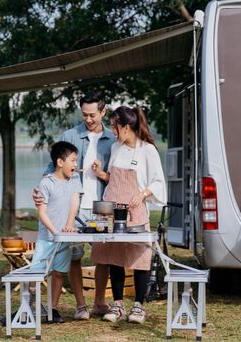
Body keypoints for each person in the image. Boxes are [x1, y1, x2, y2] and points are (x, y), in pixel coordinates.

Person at [32, 91, 115, 319]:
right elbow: (53, 167)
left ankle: (99, 301)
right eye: (84, 115)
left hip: (101, 206)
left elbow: (115, 176)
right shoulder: (70, 134)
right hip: (73, 207)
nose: (88, 120)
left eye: (93, 115)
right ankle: (80, 305)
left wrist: (101, 173)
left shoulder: (113, 140)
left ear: (103, 112)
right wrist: (39, 190)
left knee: (103, 256)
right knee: (74, 255)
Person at [90, 105, 166, 325]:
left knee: (140, 258)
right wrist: (99, 173)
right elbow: (113, 179)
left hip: (135, 211)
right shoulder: (116, 147)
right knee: (114, 257)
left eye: (114, 127)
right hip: (112, 211)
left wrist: (142, 194)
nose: (112, 131)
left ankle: (139, 306)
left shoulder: (147, 150)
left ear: (125, 127)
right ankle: (118, 304)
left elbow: (158, 182)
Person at [28, 141, 82, 324]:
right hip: (47, 238)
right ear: (60, 162)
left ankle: (52, 308)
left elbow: (75, 204)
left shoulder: (74, 180)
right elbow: (42, 212)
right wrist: (55, 232)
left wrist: (68, 226)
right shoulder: (46, 183)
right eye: (73, 160)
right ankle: (29, 306)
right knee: (36, 273)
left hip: (63, 238)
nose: (76, 164)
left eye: (76, 160)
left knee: (58, 273)